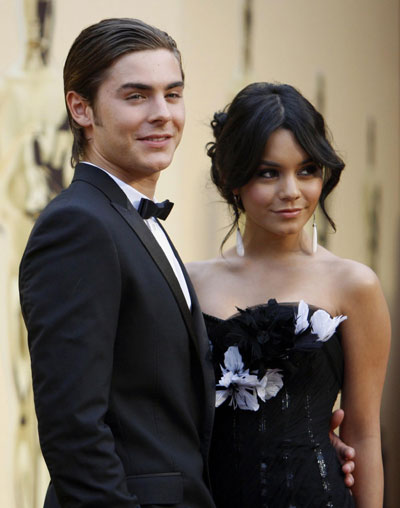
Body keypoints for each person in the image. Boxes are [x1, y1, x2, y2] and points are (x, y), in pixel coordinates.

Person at [19, 20, 355, 507]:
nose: (162, 114)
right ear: (81, 109)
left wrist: (303, 446)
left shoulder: (129, 221)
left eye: (172, 94)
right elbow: (73, 430)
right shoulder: (79, 225)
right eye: (136, 96)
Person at [187, 82, 390, 507]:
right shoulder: (188, 282)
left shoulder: (354, 285)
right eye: (268, 172)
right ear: (231, 177)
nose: (291, 191)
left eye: (307, 170)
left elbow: (364, 434)